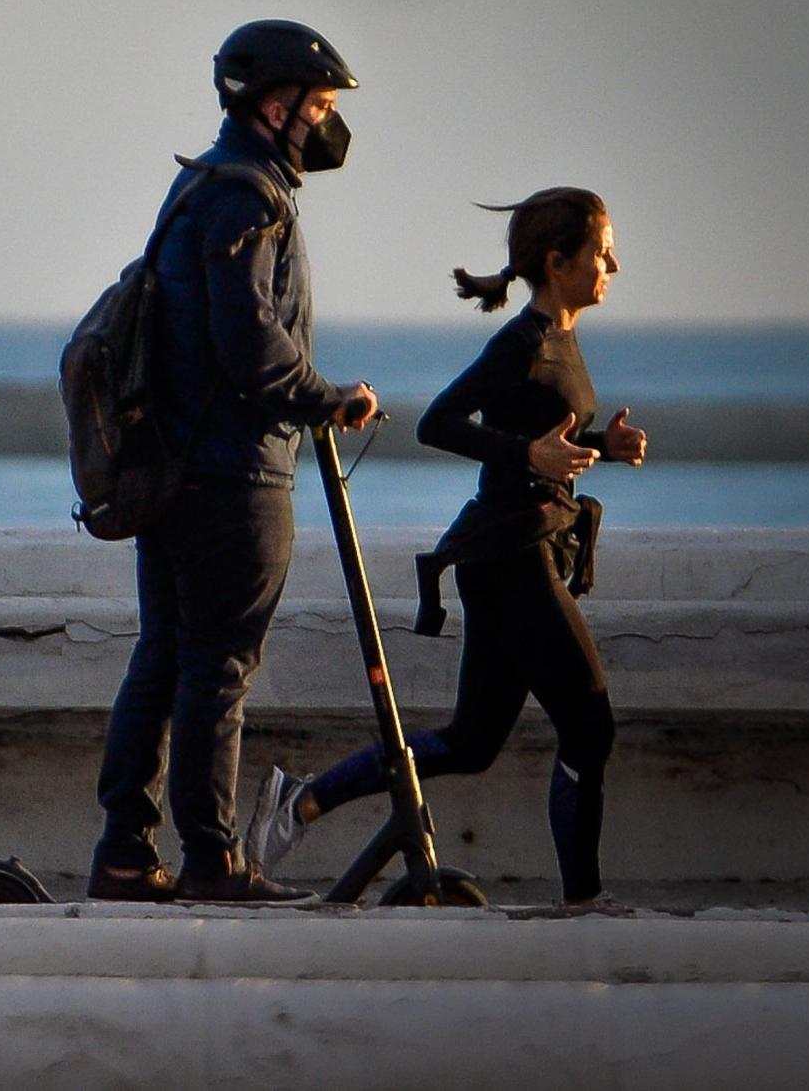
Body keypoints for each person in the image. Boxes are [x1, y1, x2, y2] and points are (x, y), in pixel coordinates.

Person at [245, 187, 647, 908]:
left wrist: (599, 448)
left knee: (471, 741)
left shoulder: (562, 335)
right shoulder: (520, 342)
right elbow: (440, 423)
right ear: (558, 262)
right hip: (510, 555)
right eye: (601, 250)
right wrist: (529, 451)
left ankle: (302, 800)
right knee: (590, 721)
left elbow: (540, 441)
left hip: (521, 554)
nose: (613, 261)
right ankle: (586, 904)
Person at [87, 20, 378, 904]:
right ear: (276, 104)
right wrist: (326, 396)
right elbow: (246, 338)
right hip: (233, 475)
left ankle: (127, 851)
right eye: (320, 106)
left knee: (165, 655)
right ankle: (213, 858)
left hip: (177, 472)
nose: (327, 126)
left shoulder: (197, 187)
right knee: (216, 666)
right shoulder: (249, 197)